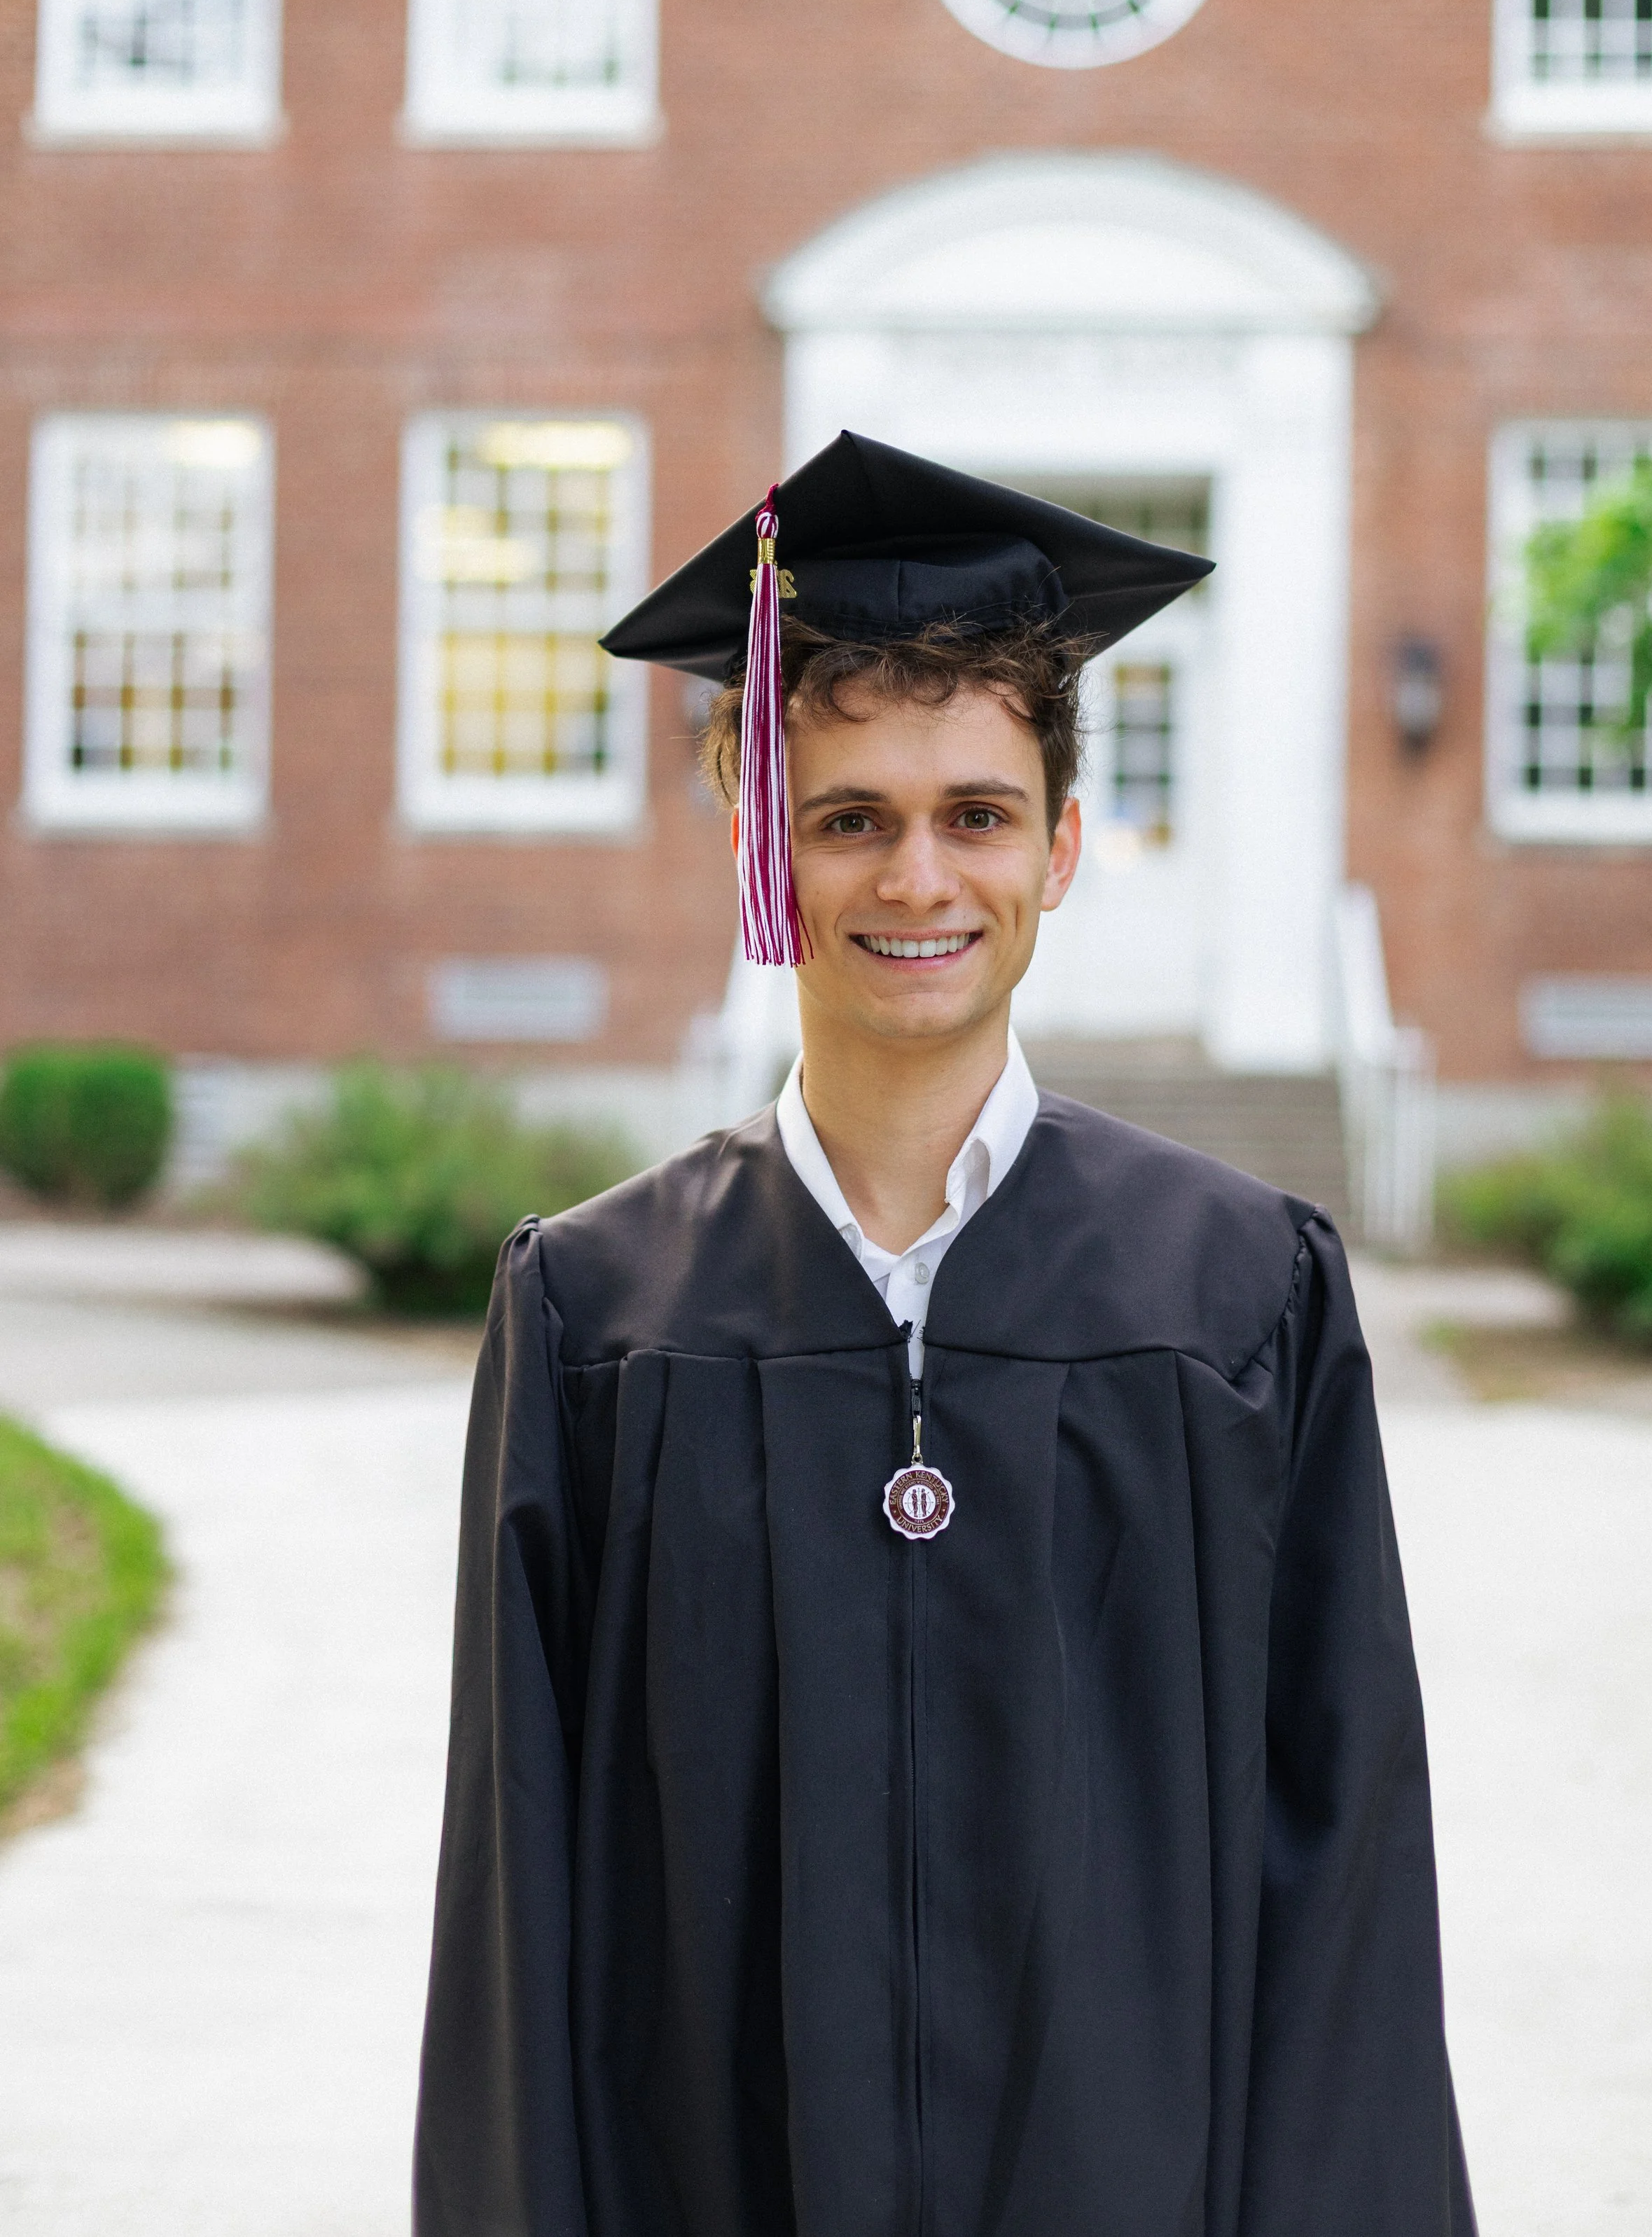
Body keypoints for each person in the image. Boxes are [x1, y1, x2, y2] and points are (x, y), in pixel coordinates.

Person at [413, 432, 1476, 2237]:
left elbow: (1343, 1872)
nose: (920, 878)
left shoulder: (1237, 1300)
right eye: (852, 817)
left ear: (1063, 847)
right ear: (770, 844)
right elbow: (517, 1912)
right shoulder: (602, 1318)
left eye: (976, 813)